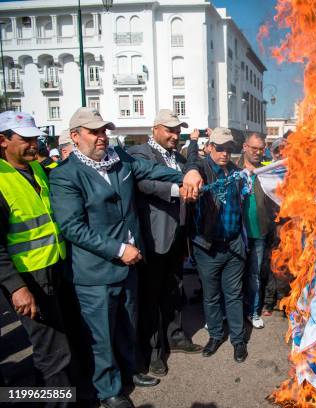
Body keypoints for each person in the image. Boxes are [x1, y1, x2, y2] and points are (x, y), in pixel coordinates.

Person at [49, 107, 202, 408]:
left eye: (104, 130)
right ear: (75, 136)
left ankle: (129, 373)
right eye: (94, 132)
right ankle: (108, 391)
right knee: (101, 336)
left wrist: (188, 171)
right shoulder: (65, 175)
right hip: (96, 272)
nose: (102, 137)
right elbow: (73, 227)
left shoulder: (121, 160)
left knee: (126, 326)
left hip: (129, 266)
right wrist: (119, 249)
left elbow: (153, 170)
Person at [0, 111, 72, 405]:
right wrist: (17, 288)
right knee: (54, 351)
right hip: (28, 279)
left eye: (35, 138)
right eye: (25, 139)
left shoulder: (37, 169)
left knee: (52, 348)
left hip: (52, 268)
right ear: (3, 141)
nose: (33, 144)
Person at [127, 110, 204, 378]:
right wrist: (179, 189)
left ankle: (176, 336)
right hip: (154, 238)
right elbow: (144, 183)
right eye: (170, 130)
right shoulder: (141, 153)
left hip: (177, 235)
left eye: (178, 131)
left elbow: (191, 170)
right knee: (151, 297)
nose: (175, 135)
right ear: (155, 129)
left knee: (174, 289)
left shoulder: (179, 157)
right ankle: (153, 352)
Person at [184, 127, 249, 363]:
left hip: (233, 246)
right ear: (209, 147)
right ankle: (214, 336)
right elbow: (190, 164)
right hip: (207, 247)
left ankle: (238, 340)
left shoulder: (237, 172)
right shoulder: (200, 170)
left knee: (233, 295)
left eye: (228, 149)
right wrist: (193, 154)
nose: (224, 153)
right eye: (219, 147)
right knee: (211, 296)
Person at [237, 133, 278, 329]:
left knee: (254, 275)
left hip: (259, 232)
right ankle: (234, 313)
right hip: (236, 233)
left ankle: (252, 312)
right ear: (245, 147)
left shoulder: (267, 170)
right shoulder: (231, 167)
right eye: (253, 148)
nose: (257, 152)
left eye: (261, 148)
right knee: (235, 276)